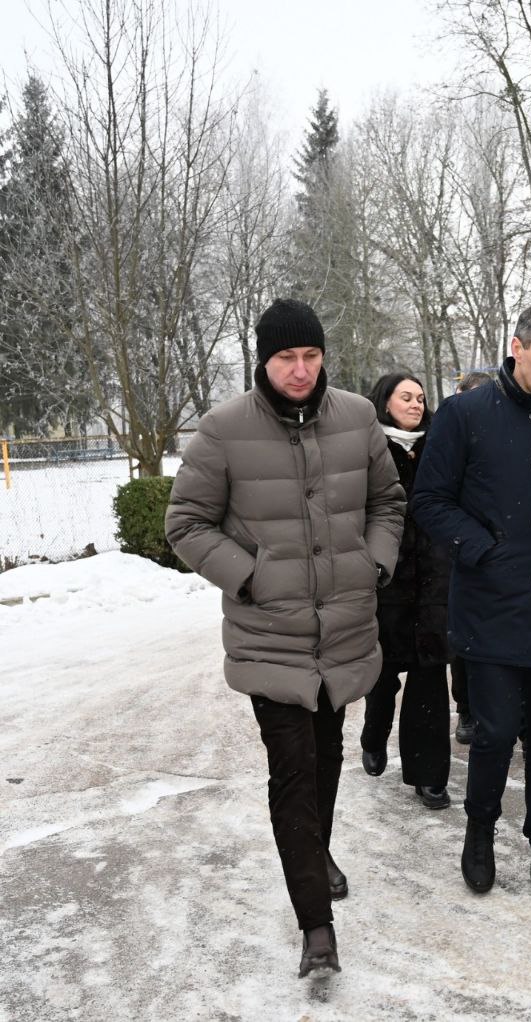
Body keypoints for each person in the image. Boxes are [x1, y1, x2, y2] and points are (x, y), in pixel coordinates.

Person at [165, 298, 404, 976]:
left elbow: (388, 502)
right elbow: (186, 524)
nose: (300, 370)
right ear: (263, 361)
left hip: (344, 630)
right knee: (293, 770)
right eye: (285, 358)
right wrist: (250, 577)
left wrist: (373, 562)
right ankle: (316, 927)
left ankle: (316, 851)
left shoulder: (357, 418)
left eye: (310, 355)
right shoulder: (223, 429)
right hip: (270, 636)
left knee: (326, 755)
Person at [412, 304, 531, 903]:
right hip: (492, 603)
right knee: (495, 733)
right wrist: (483, 550)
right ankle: (479, 835)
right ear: (517, 348)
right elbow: (430, 500)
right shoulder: (466, 414)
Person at [360, 372, 454, 810]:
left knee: (430, 679)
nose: (416, 404)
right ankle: (373, 735)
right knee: (382, 676)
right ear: (385, 402)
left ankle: (429, 774)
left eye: (420, 397)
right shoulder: (367, 447)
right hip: (386, 582)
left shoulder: (439, 446)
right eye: (406, 397)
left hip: (434, 580)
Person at [447, 369, 494, 745]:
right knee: (464, 642)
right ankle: (465, 708)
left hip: (498, 553)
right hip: (459, 550)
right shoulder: (450, 431)